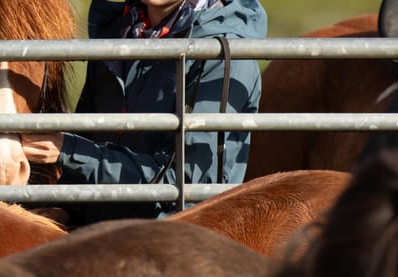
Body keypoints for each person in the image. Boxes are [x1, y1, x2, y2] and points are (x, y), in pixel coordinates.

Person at [21, 0, 266, 226]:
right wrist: (65, 208)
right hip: (101, 233)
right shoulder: (115, 32)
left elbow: (189, 184)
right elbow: (91, 134)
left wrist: (71, 151)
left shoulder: (222, 55)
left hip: (176, 236)